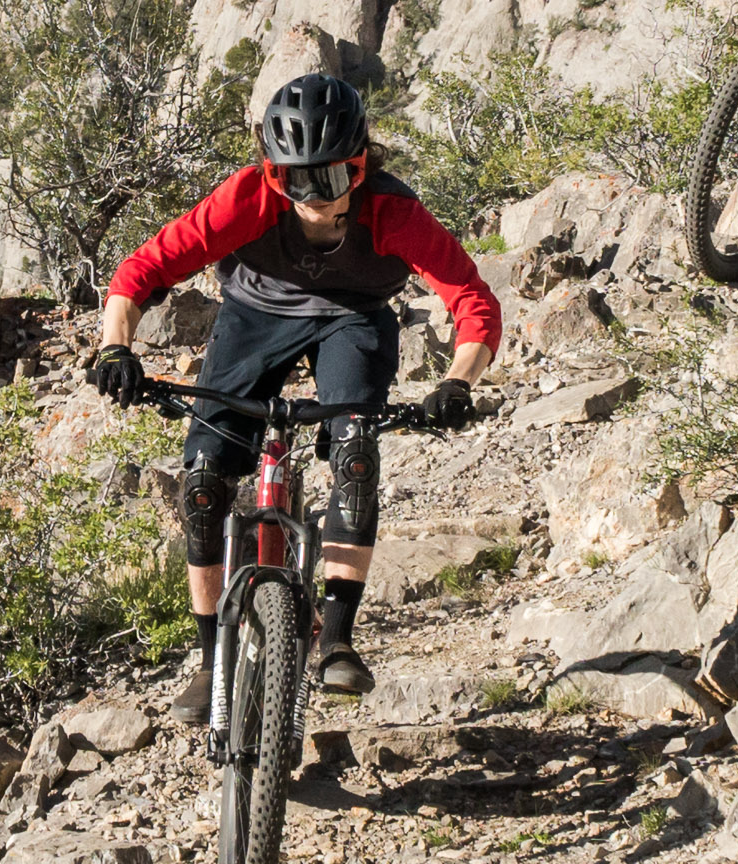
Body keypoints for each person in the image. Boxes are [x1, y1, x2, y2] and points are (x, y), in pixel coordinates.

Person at [82, 71, 499, 711]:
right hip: (256, 313)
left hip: (353, 316)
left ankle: (336, 639)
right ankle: (210, 661)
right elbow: (144, 269)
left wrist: (457, 383)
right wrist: (116, 347)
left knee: (356, 451)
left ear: (359, 169)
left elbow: (472, 301)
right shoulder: (248, 197)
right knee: (203, 480)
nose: (307, 196)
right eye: (291, 178)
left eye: (325, 180)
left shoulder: (394, 212)